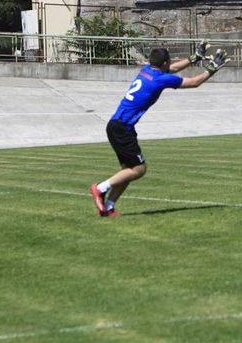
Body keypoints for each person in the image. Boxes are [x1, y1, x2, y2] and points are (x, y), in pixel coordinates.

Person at [90, 41, 228, 217]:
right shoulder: (159, 79)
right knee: (139, 169)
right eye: (168, 62)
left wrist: (195, 58)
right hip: (122, 128)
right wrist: (213, 67)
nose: (170, 64)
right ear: (164, 63)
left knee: (128, 170)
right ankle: (100, 188)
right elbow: (194, 82)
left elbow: (172, 68)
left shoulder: (147, 71)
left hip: (117, 125)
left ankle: (108, 207)